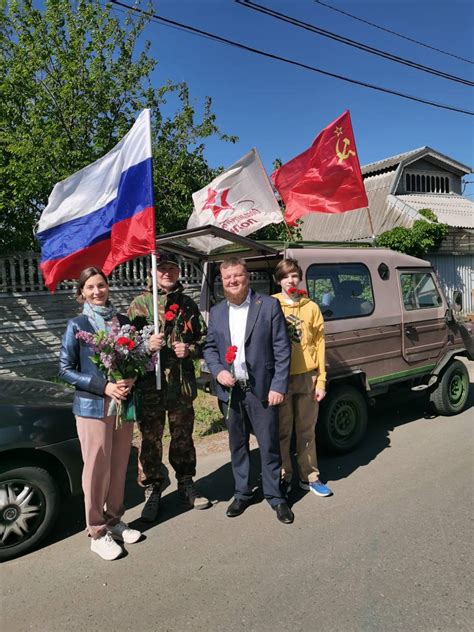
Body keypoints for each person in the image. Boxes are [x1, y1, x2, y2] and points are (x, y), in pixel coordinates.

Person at [203, 257, 294, 524]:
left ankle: (275, 496)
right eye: (227, 277)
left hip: (262, 391)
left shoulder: (268, 305)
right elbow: (209, 347)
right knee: (237, 445)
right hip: (231, 393)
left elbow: (282, 349)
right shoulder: (217, 311)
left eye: (237, 276)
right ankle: (242, 493)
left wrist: (279, 385)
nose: (232, 281)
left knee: (268, 445)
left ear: (247, 276)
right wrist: (218, 370)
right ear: (222, 280)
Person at [59, 267, 141, 561]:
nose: (97, 292)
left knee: (119, 465)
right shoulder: (77, 325)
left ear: (108, 288)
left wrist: (131, 377)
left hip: (123, 405)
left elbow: (135, 357)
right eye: (90, 287)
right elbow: (65, 370)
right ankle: (96, 530)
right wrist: (103, 385)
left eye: (101, 285)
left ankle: (114, 519)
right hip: (93, 407)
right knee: (97, 469)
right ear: (81, 292)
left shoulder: (123, 322)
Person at [128, 252, 210, 522]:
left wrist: (191, 348)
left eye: (171, 268)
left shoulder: (187, 305)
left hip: (180, 385)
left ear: (178, 272)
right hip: (149, 387)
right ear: (152, 272)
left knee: (183, 437)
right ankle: (152, 489)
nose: (166, 273)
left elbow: (205, 340)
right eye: (161, 268)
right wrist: (145, 346)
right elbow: (124, 350)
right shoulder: (139, 305)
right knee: (150, 440)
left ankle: (186, 482)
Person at [272, 258, 332, 497]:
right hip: (280, 378)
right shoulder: (270, 305)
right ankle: (284, 476)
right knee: (282, 431)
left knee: (307, 430)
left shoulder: (311, 307)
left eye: (295, 275)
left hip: (307, 376)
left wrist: (322, 379)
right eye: (286, 276)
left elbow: (320, 344)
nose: (291, 280)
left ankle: (310, 476)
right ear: (278, 281)